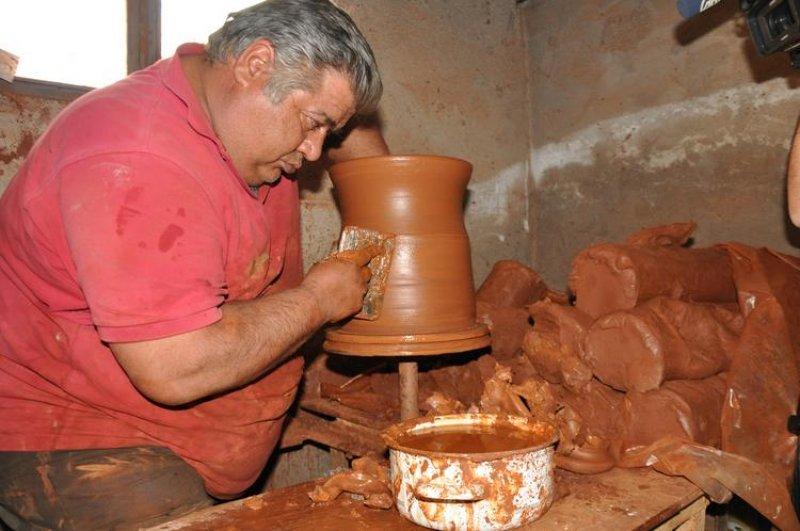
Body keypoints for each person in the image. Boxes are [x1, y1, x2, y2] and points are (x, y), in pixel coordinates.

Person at [0, 0, 389, 528]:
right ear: (256, 65)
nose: (316, 151)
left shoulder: (242, 122)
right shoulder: (136, 155)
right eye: (313, 123)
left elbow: (359, 147)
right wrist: (319, 301)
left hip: (185, 435)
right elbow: (175, 368)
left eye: (329, 130)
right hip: (76, 439)